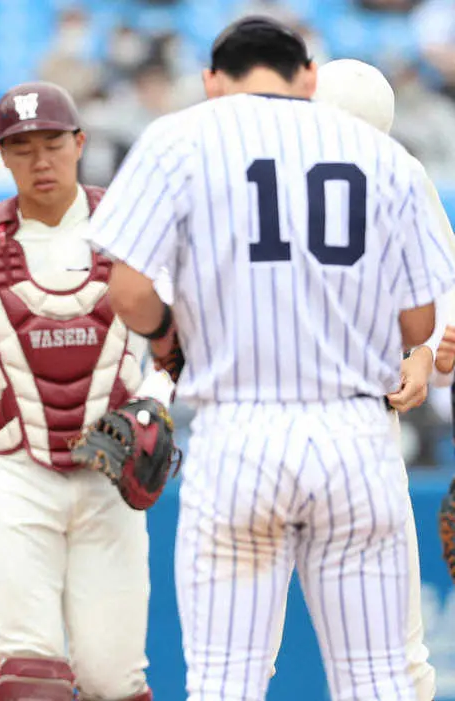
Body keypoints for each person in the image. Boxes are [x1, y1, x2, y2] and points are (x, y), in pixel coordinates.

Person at [83, 16, 455, 701]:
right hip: (357, 436)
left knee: (226, 680)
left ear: (211, 80)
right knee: (381, 678)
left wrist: (168, 339)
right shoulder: (384, 156)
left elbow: (129, 290)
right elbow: (420, 321)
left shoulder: (179, 138)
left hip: (238, 432)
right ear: (307, 77)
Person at [0, 80, 174, 701]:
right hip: (12, 473)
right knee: (31, 674)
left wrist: (154, 402)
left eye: (52, 143)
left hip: (111, 480)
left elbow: (175, 346)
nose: (40, 160)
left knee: (114, 679)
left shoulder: (138, 238)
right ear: (2, 156)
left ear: (79, 143)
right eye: (22, 148)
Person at [308, 57, 455, 701]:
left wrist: (423, 352)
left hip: (358, 426)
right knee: (240, 659)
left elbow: (443, 285)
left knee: (393, 656)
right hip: (285, 427)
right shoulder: (256, 178)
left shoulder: (399, 177)